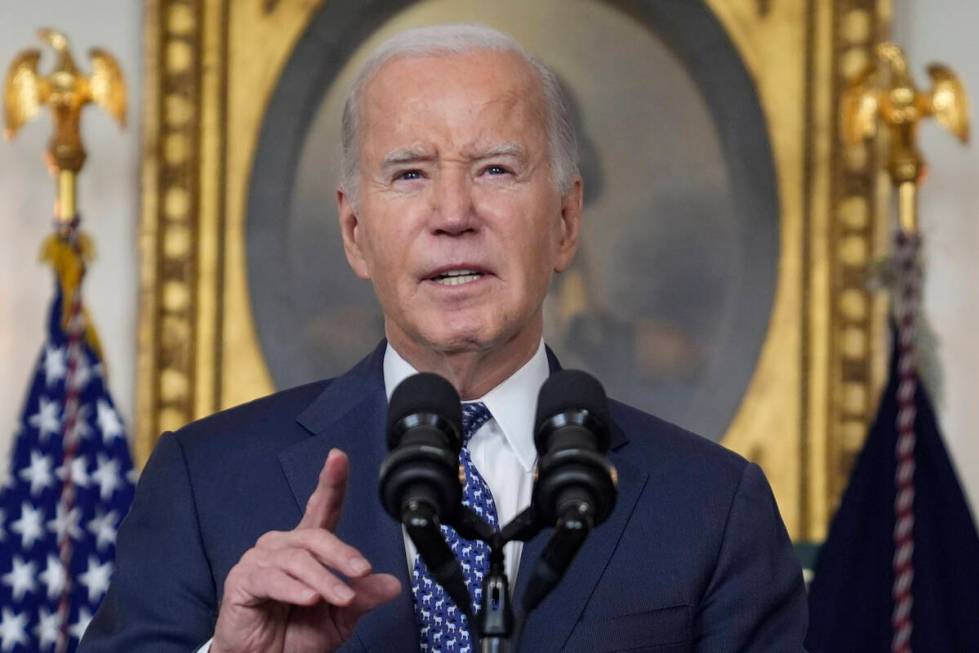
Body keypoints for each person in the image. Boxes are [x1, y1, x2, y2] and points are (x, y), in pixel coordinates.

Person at [80, 24, 807, 652]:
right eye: (409, 173)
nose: (454, 213)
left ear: (565, 222)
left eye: (496, 168)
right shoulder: (204, 482)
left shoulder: (713, 505)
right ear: (355, 233)